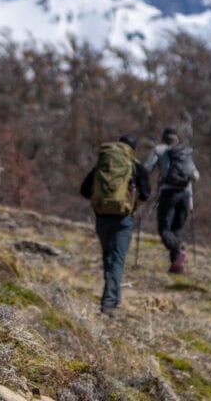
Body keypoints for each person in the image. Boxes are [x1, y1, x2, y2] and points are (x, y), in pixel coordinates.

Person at [80, 135, 150, 317]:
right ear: (133, 150)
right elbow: (146, 193)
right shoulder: (135, 166)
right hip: (123, 219)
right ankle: (108, 303)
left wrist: (101, 200)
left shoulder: (103, 165)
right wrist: (134, 204)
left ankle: (113, 296)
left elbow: (84, 190)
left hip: (102, 216)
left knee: (108, 258)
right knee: (116, 260)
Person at [143, 127, 199, 274]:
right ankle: (176, 266)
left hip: (168, 193)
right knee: (177, 229)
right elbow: (195, 175)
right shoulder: (185, 152)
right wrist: (191, 200)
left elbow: (147, 169)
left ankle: (178, 248)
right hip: (185, 194)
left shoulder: (159, 150)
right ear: (177, 139)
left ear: (163, 138)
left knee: (164, 228)